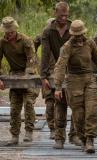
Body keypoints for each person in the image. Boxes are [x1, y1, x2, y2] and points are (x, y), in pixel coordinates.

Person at [54, 20, 97, 153]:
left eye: (80, 34)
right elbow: (60, 66)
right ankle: (82, 138)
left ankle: (90, 139)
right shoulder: (67, 47)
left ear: (84, 33)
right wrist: (58, 87)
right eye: (75, 35)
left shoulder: (90, 43)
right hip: (74, 80)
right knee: (78, 113)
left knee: (92, 109)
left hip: (89, 78)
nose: (78, 37)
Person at [41, 1, 81, 148]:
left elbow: (83, 50)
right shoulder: (48, 31)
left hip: (74, 70)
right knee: (59, 104)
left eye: (66, 15)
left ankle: (74, 135)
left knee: (76, 105)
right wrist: (43, 76)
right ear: (55, 13)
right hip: (57, 71)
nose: (64, 18)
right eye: (61, 15)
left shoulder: (74, 28)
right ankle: (59, 137)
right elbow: (45, 54)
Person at [0, 16, 39, 145]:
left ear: (15, 30)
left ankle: (29, 131)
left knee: (28, 103)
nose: (9, 34)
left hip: (29, 76)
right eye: (7, 32)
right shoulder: (2, 43)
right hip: (14, 77)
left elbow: (32, 59)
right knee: (14, 108)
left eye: (11, 32)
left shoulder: (25, 40)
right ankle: (15, 135)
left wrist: (27, 75)